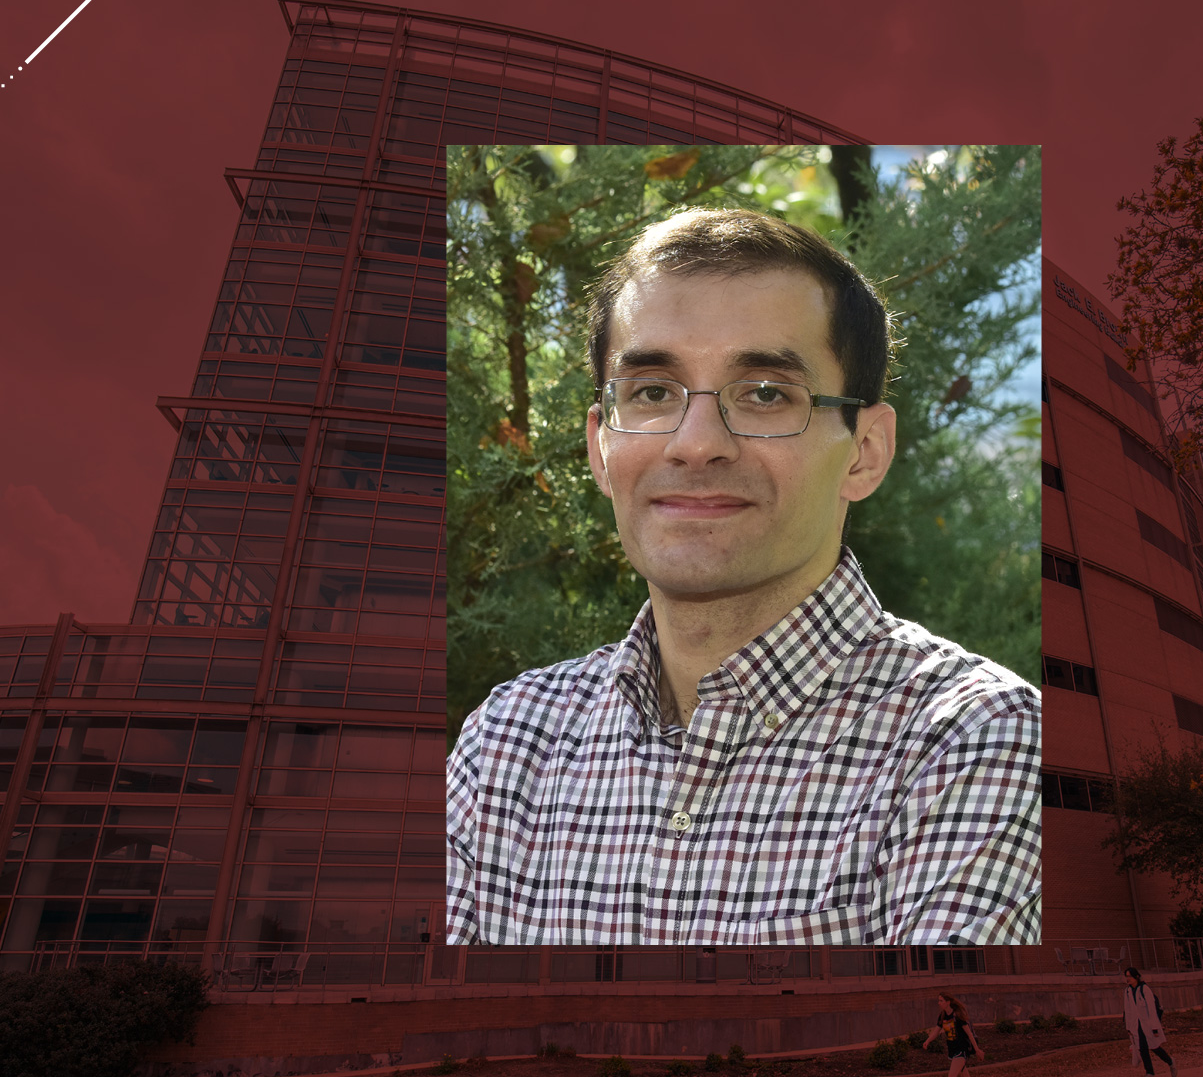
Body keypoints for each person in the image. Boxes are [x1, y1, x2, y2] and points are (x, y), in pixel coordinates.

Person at [446, 208, 1042, 946]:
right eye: (653, 393)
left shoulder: (975, 743)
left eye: (765, 393)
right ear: (601, 449)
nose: (697, 445)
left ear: (865, 451)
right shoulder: (506, 748)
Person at [924, 992, 986, 1077]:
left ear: (948, 1002)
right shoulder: (942, 1016)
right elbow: (936, 1031)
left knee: (952, 1076)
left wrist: (977, 1050)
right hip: (953, 1050)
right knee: (965, 1076)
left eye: (941, 1000)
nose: (939, 1003)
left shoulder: (957, 1015)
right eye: (939, 1000)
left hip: (962, 1050)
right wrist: (928, 1041)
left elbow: (969, 1034)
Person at [1123, 966, 1177, 1077]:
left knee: (1154, 1047)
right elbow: (1127, 1010)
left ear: (1136, 976)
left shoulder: (1144, 989)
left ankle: (1170, 1062)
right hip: (1136, 1025)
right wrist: (1128, 1026)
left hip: (1147, 1024)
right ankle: (1149, 1073)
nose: (1128, 979)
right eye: (1126, 977)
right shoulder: (1127, 991)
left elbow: (1152, 1009)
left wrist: (1155, 1027)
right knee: (1142, 1048)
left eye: (1129, 976)